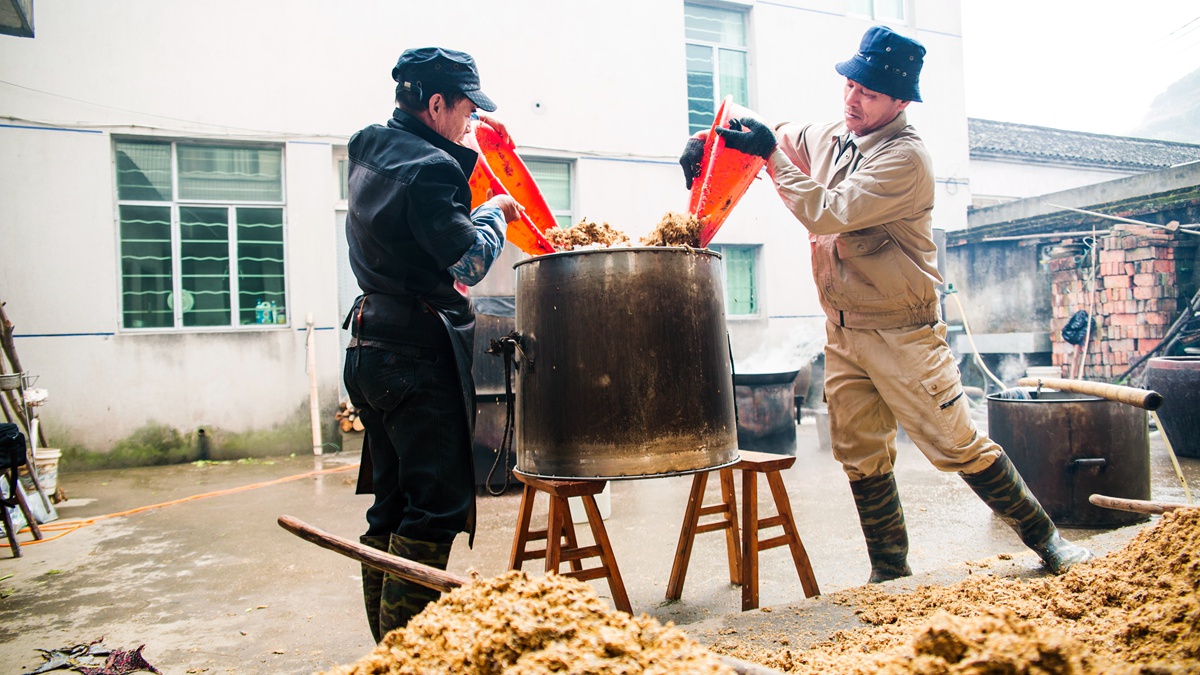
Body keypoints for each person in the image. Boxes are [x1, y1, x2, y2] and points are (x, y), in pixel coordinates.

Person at [680, 26, 1092, 583]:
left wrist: (769, 156)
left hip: (903, 333)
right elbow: (764, 130)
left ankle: (1050, 542)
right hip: (844, 330)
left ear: (900, 102)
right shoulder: (835, 135)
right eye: (850, 85)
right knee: (859, 451)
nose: (852, 99)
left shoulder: (906, 159)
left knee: (957, 443)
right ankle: (890, 571)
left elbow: (826, 210)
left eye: (869, 93)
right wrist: (711, 142)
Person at [343, 46, 522, 641]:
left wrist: (467, 174)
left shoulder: (368, 145)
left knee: (392, 503)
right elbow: (468, 262)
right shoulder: (434, 168)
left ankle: (388, 651)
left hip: (368, 344)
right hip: (415, 354)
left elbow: (412, 229)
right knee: (436, 506)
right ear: (437, 103)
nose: (471, 123)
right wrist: (493, 212)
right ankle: (411, 656)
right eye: (467, 110)